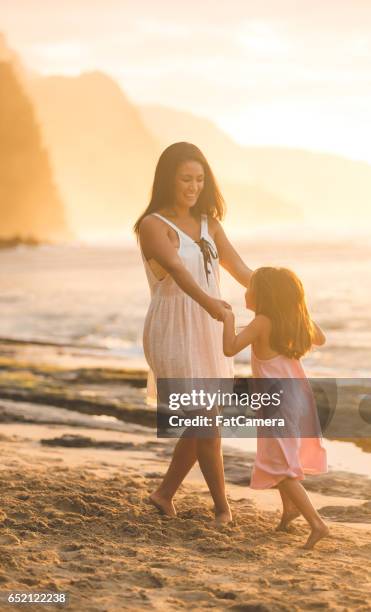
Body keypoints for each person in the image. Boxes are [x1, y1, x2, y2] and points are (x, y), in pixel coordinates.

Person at [135, 142, 252, 524]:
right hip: (174, 328)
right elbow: (180, 274)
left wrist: (285, 301)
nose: (193, 186)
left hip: (208, 327)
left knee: (205, 418)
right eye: (186, 178)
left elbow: (241, 270)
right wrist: (210, 304)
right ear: (168, 179)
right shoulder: (153, 225)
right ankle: (223, 508)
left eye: (200, 179)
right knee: (206, 418)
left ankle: (163, 494)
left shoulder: (209, 224)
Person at [222, 267, 329, 548]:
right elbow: (320, 338)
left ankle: (317, 524)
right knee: (281, 457)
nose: (246, 291)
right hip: (296, 399)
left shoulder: (260, 323)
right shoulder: (291, 320)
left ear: (263, 296)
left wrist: (228, 318)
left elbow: (230, 348)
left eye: (250, 288)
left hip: (276, 405)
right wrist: (297, 309)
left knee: (281, 468)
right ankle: (289, 511)